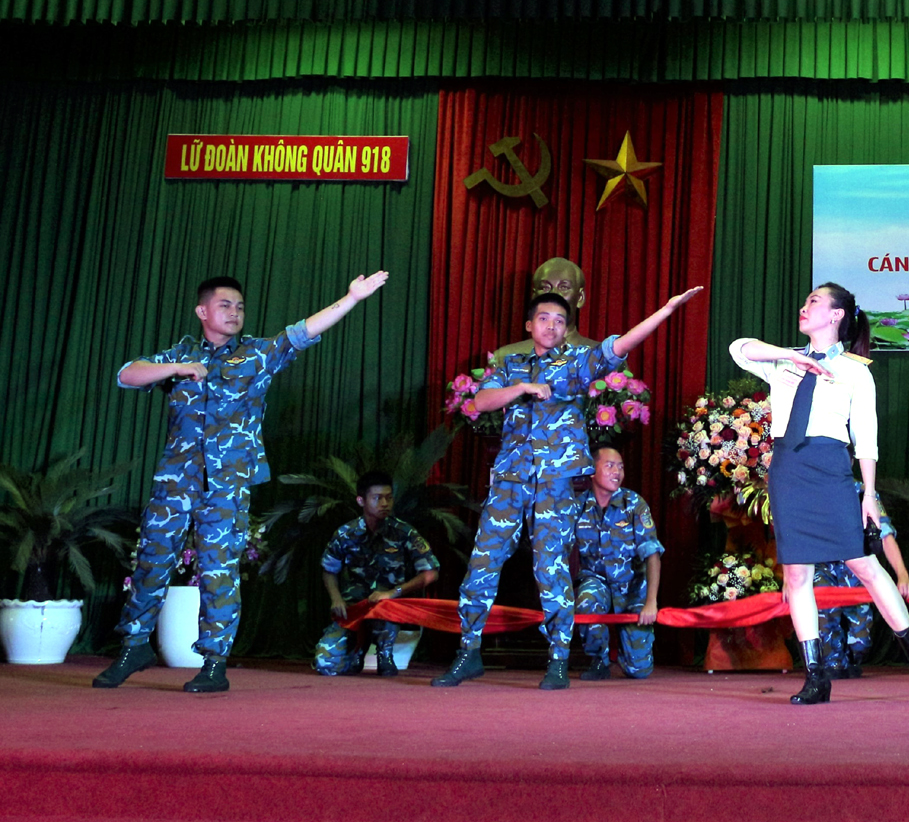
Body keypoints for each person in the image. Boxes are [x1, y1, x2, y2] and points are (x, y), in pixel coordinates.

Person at [94, 271, 389, 693]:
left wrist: (351, 298)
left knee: (219, 571)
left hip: (227, 485)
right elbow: (127, 375)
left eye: (240, 306)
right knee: (151, 562)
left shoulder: (255, 355)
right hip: (176, 482)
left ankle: (214, 663)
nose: (234, 313)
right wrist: (177, 367)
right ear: (202, 311)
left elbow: (302, 332)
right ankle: (134, 646)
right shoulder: (180, 353)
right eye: (225, 305)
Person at [434, 285, 701, 690]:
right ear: (529, 324)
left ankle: (557, 659)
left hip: (556, 485)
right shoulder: (511, 364)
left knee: (551, 567)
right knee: (483, 564)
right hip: (510, 481)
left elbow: (619, 345)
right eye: (544, 318)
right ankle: (468, 653)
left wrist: (664, 311)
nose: (552, 326)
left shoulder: (576, 364)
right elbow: (482, 402)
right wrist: (522, 389)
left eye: (560, 321)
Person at [730, 282, 909, 705]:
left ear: (837, 315)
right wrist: (790, 356)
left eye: (813, 301)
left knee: (864, 565)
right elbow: (739, 347)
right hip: (788, 469)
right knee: (796, 574)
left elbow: (866, 439)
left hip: (830, 470)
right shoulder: (784, 362)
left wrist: (869, 496)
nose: (804, 307)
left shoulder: (855, 370)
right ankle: (816, 676)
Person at [313, 471, 439, 677]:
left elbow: (431, 573)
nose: (384, 503)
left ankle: (384, 653)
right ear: (361, 501)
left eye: (389, 498)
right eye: (377, 498)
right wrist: (336, 599)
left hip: (388, 606)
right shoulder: (346, 533)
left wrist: (393, 592)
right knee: (325, 665)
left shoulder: (404, 532)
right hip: (353, 609)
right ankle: (356, 650)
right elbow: (329, 569)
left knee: (384, 620)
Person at [574, 445, 664, 681]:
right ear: (592, 471)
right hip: (596, 581)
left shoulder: (634, 504)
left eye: (621, 467)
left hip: (632, 586)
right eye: (610, 465)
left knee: (639, 671)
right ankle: (599, 660)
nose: (617, 472)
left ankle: (629, 654)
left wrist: (651, 603)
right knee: (587, 600)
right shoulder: (577, 506)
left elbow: (652, 554)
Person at [813, 492, 909, 679]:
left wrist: (902, 574)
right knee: (825, 624)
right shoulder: (815, 488)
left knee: (861, 642)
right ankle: (833, 663)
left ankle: (851, 658)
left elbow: (885, 535)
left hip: (856, 569)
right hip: (824, 566)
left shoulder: (862, 492)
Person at [494, 257, 600, 356]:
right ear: (534, 297)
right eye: (545, 288)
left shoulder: (600, 357)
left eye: (564, 287)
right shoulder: (506, 357)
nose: (554, 294)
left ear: (580, 298)